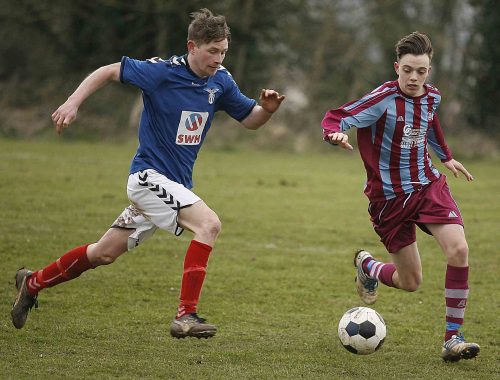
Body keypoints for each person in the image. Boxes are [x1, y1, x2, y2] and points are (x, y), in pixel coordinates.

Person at [11, 8, 285, 339]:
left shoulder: (221, 81)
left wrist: (267, 111)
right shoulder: (162, 72)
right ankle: (186, 315)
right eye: (212, 51)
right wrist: (73, 103)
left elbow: (250, 119)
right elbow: (109, 71)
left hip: (172, 185)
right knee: (209, 224)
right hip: (148, 178)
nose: (218, 58)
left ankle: (33, 282)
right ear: (192, 46)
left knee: (104, 253)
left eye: (223, 51)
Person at [321, 32, 479, 361]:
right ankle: (368, 266)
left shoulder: (431, 96)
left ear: (428, 71)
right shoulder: (383, 98)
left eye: (421, 71)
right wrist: (334, 133)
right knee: (410, 282)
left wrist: (446, 156)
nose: (413, 77)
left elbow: (431, 123)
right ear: (397, 67)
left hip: (427, 187)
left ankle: (453, 338)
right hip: (388, 200)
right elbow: (339, 115)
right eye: (408, 70)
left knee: (459, 249)